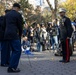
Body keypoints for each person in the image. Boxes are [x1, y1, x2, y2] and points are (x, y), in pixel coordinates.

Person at [4, 3, 23, 73]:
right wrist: (20, 34)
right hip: (14, 34)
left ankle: (11, 65)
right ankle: (12, 67)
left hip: (7, 34)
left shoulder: (7, 14)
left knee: (13, 50)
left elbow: (4, 25)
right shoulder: (18, 15)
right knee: (17, 50)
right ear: (17, 8)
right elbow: (20, 26)